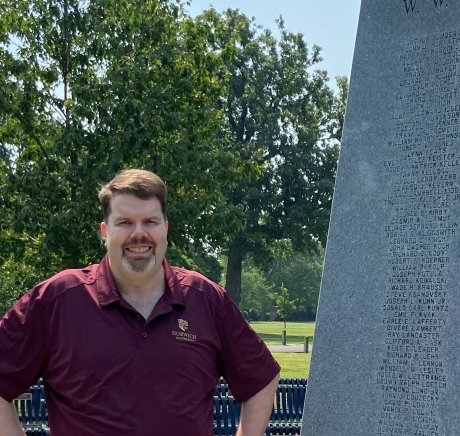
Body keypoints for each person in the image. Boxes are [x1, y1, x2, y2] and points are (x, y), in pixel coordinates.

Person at [0, 169, 280, 436]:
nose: (139, 234)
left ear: (165, 229)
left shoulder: (204, 298)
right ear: (104, 231)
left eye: (150, 222)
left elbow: (261, 379)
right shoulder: (58, 300)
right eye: (124, 223)